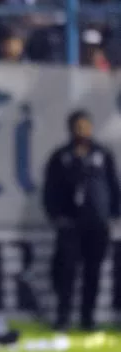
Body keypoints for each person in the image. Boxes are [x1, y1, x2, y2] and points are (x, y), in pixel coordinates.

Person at [43, 109, 120, 331]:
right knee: (66, 273)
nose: (82, 131)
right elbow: (51, 189)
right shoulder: (61, 156)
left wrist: (113, 214)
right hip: (70, 225)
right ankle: (63, 317)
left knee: (92, 273)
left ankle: (88, 318)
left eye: (85, 126)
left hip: (96, 224)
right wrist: (56, 215)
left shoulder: (102, 154)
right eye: (78, 127)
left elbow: (113, 185)